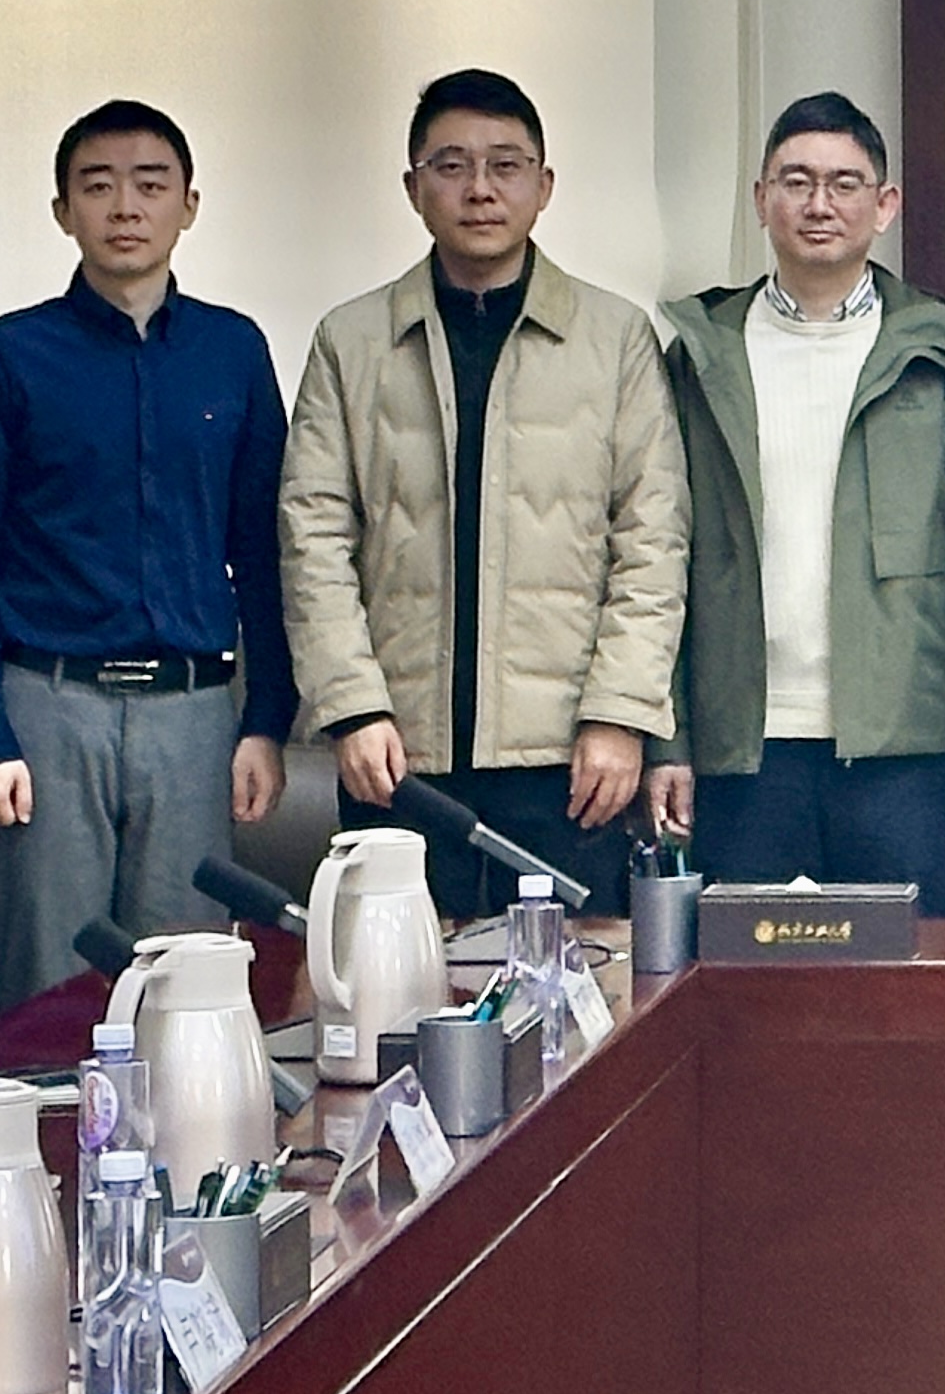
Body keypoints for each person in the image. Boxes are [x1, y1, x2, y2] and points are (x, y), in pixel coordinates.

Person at [281, 69, 688, 921]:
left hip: (569, 760)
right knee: (396, 982)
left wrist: (619, 715)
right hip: (395, 752)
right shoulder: (351, 341)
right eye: (452, 165)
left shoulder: (615, 339)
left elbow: (652, 541)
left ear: (544, 186)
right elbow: (312, 538)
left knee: (573, 985)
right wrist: (351, 707)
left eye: (506, 165)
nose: (479, 189)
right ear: (413, 187)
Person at [0, 100, 292, 1003]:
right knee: (50, 993)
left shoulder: (233, 351)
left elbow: (264, 546)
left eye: (150, 184)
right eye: (98, 186)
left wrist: (267, 717)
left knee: (188, 992)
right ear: (63, 211)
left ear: (189, 205)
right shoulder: (6, 357)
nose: (125, 206)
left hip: (193, 714)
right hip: (47, 710)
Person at [648, 92, 945, 914]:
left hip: (907, 741)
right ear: (760, 197)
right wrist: (669, 737)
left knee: (909, 976)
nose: (819, 204)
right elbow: (658, 555)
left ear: (885, 205)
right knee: (747, 978)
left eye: (845, 184)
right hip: (744, 744)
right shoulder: (701, 354)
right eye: (795, 181)